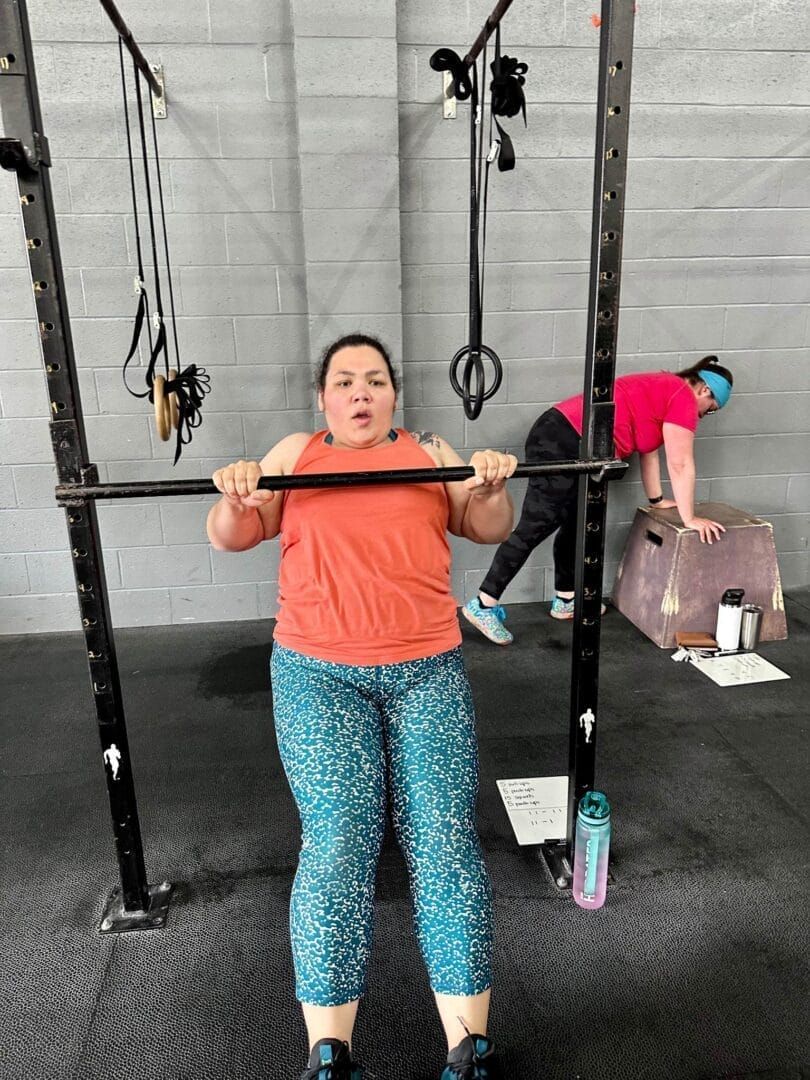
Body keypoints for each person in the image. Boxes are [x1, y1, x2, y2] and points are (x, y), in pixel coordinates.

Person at [207, 333, 518, 1080]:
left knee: (443, 839)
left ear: (392, 396)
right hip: (319, 674)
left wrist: (489, 484)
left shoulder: (430, 450)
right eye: (345, 381)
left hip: (426, 669)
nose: (360, 393)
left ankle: (469, 1046)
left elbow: (488, 527)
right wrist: (235, 495)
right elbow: (231, 538)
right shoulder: (294, 455)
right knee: (341, 838)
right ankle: (329, 1050)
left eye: (374, 381)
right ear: (324, 398)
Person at [462, 355, 734, 645]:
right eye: (710, 410)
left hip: (569, 438)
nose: (702, 415)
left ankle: (566, 598)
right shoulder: (682, 396)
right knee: (536, 526)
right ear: (705, 390)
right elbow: (680, 463)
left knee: (577, 522)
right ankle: (482, 604)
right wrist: (689, 518)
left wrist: (657, 500)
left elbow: (649, 452)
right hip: (565, 437)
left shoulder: (665, 389)